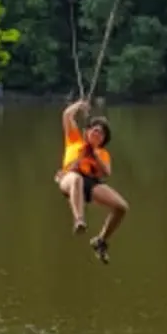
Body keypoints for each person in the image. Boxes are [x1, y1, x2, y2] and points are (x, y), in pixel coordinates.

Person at [55, 98, 128, 263]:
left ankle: (101, 241)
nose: (96, 133)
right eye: (94, 130)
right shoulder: (75, 140)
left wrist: (94, 154)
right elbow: (67, 116)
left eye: (100, 133)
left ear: (103, 140)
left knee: (121, 207)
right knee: (76, 180)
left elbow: (106, 172)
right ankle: (79, 219)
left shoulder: (102, 154)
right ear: (87, 132)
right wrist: (79, 105)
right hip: (69, 177)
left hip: (91, 182)